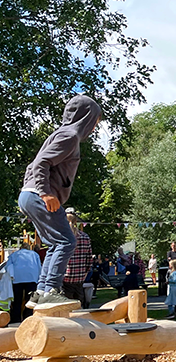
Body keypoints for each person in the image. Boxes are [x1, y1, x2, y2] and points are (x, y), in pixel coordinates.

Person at [17, 94, 102, 308]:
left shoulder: (61, 134)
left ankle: (40, 292)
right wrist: (45, 192)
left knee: (56, 243)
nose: (94, 128)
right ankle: (51, 291)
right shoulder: (70, 136)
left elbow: (34, 165)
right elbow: (41, 163)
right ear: (85, 118)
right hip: (38, 195)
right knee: (67, 241)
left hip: (29, 195)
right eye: (94, 122)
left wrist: (33, 190)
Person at [62, 209, 92, 308]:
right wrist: (84, 274)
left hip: (65, 278)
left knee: (66, 309)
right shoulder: (85, 237)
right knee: (78, 308)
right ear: (76, 221)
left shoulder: (62, 237)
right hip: (79, 278)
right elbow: (89, 260)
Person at [6, 242, 41, 323]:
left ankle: (16, 318)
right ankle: (28, 316)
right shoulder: (35, 254)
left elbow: (9, 266)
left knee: (17, 299)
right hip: (32, 278)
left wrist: (11, 276)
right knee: (30, 299)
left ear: (20, 248)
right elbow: (39, 266)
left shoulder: (14, 255)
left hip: (18, 278)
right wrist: (39, 278)